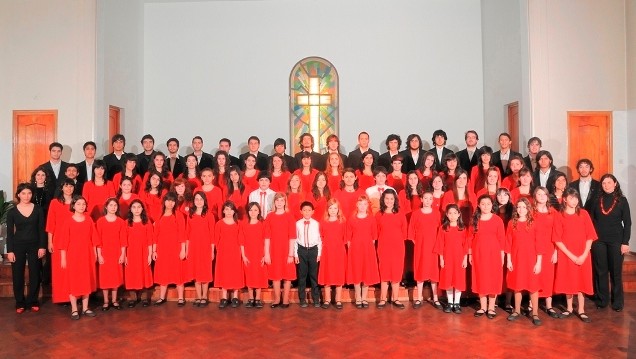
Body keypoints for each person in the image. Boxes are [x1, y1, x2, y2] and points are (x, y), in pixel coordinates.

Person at [553, 188, 597, 323]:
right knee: (569, 280)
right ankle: (569, 308)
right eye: (571, 198)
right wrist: (570, 255)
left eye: (576, 198)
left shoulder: (583, 214)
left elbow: (590, 235)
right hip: (567, 254)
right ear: (564, 199)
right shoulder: (559, 215)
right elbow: (557, 239)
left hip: (583, 253)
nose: (574, 200)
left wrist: (584, 254)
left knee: (581, 280)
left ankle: (581, 309)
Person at [590, 174, 631, 312]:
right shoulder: (596, 200)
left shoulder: (622, 200)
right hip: (598, 241)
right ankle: (602, 300)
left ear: (615, 183)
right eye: (603, 183)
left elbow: (628, 223)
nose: (606, 185)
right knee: (600, 271)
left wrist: (625, 242)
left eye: (609, 182)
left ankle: (617, 302)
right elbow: (591, 221)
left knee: (615, 272)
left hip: (616, 241)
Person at [6, 183, 47, 313]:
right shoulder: (12, 212)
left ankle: (33, 300)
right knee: (17, 274)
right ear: (18, 195)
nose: (26, 196)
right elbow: (9, 233)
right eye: (23, 193)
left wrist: (42, 247)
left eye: (29, 193)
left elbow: (42, 230)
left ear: (32, 194)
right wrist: (10, 251)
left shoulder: (38, 209)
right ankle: (19, 302)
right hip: (18, 245)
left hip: (35, 245)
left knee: (35, 273)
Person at [58, 196, 98, 320]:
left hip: (87, 254)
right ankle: (74, 309)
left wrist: (95, 253)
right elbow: (64, 241)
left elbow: (94, 238)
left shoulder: (89, 220)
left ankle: (86, 307)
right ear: (73, 205)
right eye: (79, 204)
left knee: (86, 280)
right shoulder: (68, 221)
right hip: (73, 255)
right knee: (73, 280)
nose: (81, 206)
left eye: (83, 204)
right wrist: (63, 258)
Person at [505, 198, 543, 326]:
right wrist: (509, 260)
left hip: (531, 258)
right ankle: (516, 310)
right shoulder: (512, 223)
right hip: (516, 258)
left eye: (524, 207)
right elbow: (508, 243)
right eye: (519, 207)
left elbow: (539, 243)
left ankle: (535, 313)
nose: (521, 209)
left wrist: (539, 262)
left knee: (533, 286)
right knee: (517, 285)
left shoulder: (534, 223)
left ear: (528, 209)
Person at [470, 194, 506, 319]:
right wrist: (470, 254)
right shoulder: (475, 219)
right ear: (479, 205)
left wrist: (502, 256)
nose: (486, 206)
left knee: (493, 278)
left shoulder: (497, 220)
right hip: (478, 253)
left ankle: (491, 307)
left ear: (492, 205)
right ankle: (483, 306)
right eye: (483, 204)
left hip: (494, 253)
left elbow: (502, 239)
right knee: (480, 277)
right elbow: (470, 238)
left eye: (488, 204)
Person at [407, 191, 442, 309]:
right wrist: (417, 242)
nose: (427, 200)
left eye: (430, 198)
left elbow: (440, 231)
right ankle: (418, 298)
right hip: (421, 247)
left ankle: (435, 298)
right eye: (425, 198)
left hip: (433, 246)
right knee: (420, 269)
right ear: (421, 199)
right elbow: (411, 230)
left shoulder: (437, 214)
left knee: (434, 271)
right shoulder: (416, 214)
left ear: (433, 200)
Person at [152, 192, 187, 307]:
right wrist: (154, 250)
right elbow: (155, 235)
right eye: (168, 200)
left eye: (172, 201)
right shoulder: (159, 215)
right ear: (164, 202)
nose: (170, 203)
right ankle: (162, 297)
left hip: (175, 248)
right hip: (162, 248)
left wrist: (183, 249)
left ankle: (181, 297)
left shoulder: (178, 215)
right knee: (163, 272)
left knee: (178, 272)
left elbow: (183, 233)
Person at [375, 189, 407, 309]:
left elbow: (404, 232)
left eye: (391, 199)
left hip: (398, 247)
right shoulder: (379, 215)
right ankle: (382, 299)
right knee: (384, 271)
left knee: (396, 271)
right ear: (383, 199)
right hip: (383, 247)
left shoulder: (400, 214)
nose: (389, 201)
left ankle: (396, 298)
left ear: (395, 200)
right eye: (387, 198)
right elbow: (377, 232)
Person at [346, 195, 380, 309]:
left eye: (365, 204)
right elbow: (348, 238)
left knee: (366, 271)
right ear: (356, 205)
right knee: (356, 271)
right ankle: (358, 298)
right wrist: (351, 250)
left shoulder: (371, 219)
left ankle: (364, 297)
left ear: (367, 206)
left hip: (367, 249)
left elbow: (374, 237)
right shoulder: (352, 219)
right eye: (360, 204)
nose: (362, 206)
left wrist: (369, 248)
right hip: (355, 249)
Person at [264, 193, 297, 308]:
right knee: (275, 275)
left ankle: (286, 299)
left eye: (282, 200)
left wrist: (290, 254)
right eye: (277, 200)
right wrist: (267, 253)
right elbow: (267, 236)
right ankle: (277, 299)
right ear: (274, 202)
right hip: (274, 249)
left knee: (287, 275)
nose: (279, 203)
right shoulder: (270, 216)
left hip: (286, 250)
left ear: (285, 202)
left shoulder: (289, 216)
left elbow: (292, 236)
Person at [434, 203, 469, 314]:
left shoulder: (462, 228)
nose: (452, 215)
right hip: (447, 257)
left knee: (458, 280)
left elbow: (466, 245)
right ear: (447, 215)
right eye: (450, 213)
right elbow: (440, 244)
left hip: (459, 258)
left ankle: (457, 303)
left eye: (455, 213)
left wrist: (465, 259)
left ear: (459, 214)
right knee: (448, 279)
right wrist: (441, 259)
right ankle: (450, 303)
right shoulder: (443, 228)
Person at [533, 186, 561, 319]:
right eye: (539, 194)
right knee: (534, 276)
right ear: (535, 196)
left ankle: (549, 305)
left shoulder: (553, 212)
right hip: (533, 248)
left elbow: (557, 233)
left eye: (544, 194)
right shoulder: (530, 212)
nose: (542, 196)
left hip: (549, 247)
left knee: (548, 276)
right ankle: (532, 304)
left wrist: (556, 251)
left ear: (547, 196)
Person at [45, 179, 74, 303]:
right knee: (60, 269)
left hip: (74, 240)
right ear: (61, 188)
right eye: (66, 186)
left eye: (71, 186)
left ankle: (74, 295)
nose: (69, 189)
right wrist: (50, 242)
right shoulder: (55, 203)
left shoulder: (77, 202)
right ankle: (62, 297)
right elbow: (51, 223)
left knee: (72, 269)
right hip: (58, 239)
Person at [95, 198, 126, 311]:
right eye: (111, 205)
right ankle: (106, 301)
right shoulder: (100, 221)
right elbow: (97, 240)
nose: (113, 207)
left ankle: (114, 300)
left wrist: (123, 254)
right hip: (104, 252)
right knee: (105, 277)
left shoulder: (121, 222)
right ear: (106, 207)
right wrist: (99, 255)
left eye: (115, 205)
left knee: (115, 277)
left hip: (116, 252)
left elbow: (123, 240)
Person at [187, 191, 215, 307]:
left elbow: (212, 233)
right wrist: (187, 249)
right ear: (194, 201)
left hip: (205, 246)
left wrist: (212, 250)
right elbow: (187, 232)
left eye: (201, 199)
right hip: (194, 246)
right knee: (196, 270)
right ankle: (198, 296)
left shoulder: (209, 214)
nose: (199, 201)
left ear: (204, 201)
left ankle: (204, 296)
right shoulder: (191, 215)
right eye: (196, 199)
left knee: (205, 270)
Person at [124, 200, 154, 308]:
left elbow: (150, 239)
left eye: (139, 207)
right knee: (131, 273)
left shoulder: (147, 222)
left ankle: (145, 297)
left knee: (144, 273)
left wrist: (150, 254)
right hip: (131, 252)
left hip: (143, 251)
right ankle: (133, 298)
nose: (136, 209)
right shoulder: (127, 222)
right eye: (134, 207)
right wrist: (125, 255)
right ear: (131, 209)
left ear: (142, 209)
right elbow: (124, 240)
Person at [215, 201, 246, 309]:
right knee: (224, 272)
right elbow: (216, 239)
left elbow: (241, 239)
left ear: (234, 211)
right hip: (223, 252)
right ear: (223, 210)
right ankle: (224, 297)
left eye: (231, 209)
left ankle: (235, 297)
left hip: (235, 251)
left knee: (235, 272)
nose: (229, 211)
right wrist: (219, 251)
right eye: (226, 209)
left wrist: (242, 254)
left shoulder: (239, 223)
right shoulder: (219, 223)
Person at [319, 198, 347, 309]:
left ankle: (338, 299)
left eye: (335, 208)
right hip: (326, 251)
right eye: (330, 208)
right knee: (327, 273)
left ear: (338, 209)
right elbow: (320, 236)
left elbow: (345, 237)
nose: (333, 210)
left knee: (338, 273)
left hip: (339, 251)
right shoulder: (323, 222)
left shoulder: (342, 222)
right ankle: (327, 299)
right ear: (327, 209)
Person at [294, 201, 322, 307]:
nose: (307, 212)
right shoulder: (297, 224)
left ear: (313, 212)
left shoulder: (316, 224)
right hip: (301, 251)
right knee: (302, 275)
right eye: (304, 210)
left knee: (314, 275)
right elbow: (295, 239)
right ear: (301, 211)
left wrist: (319, 253)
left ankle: (316, 299)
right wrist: (296, 254)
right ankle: (302, 299)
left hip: (313, 250)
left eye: (309, 210)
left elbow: (319, 240)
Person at [241, 202, 268, 309]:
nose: (253, 212)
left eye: (255, 210)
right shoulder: (244, 224)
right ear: (248, 211)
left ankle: (257, 298)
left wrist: (264, 255)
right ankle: (251, 298)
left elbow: (265, 240)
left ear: (259, 212)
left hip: (259, 254)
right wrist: (243, 255)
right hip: (248, 254)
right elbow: (241, 241)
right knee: (250, 275)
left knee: (259, 275)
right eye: (251, 210)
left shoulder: (262, 224)